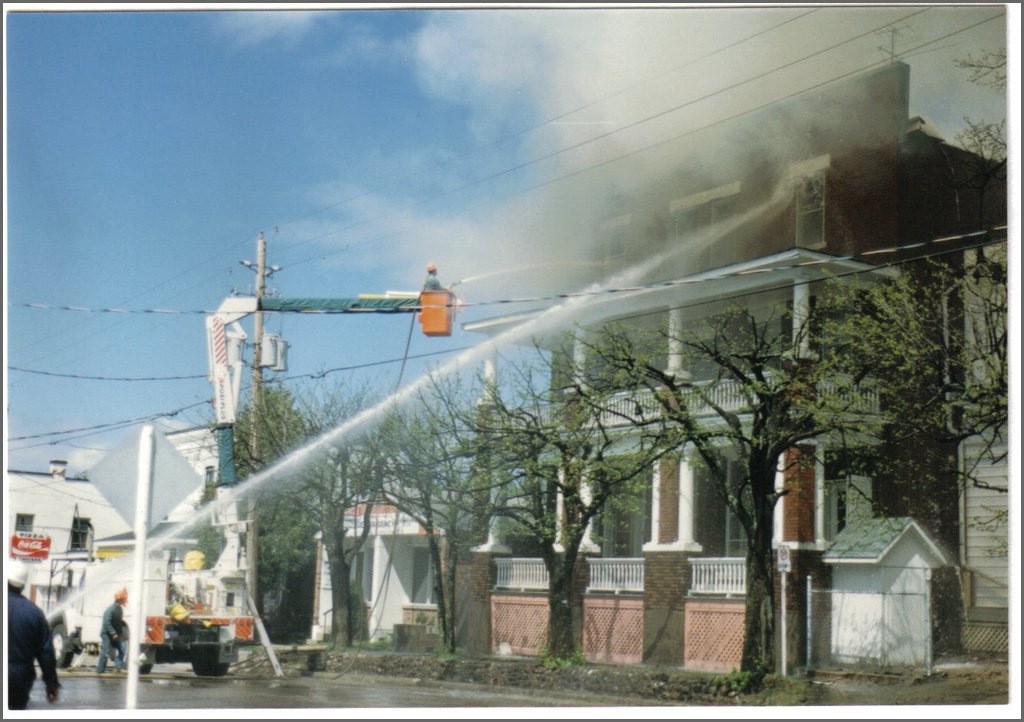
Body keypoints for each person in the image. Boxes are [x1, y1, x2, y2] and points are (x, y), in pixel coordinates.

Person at [7, 562, 60, 710]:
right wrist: (51, 683)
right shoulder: (34, 612)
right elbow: (46, 653)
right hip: (20, 677)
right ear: (23, 585)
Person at [97, 588, 128, 674]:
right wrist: (113, 633)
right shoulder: (110, 609)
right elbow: (106, 623)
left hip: (115, 634)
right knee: (105, 652)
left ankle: (118, 667)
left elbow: (119, 623)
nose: (124, 601)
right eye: (123, 599)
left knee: (122, 648)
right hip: (106, 634)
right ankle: (100, 671)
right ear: (119, 599)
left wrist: (121, 634)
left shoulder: (120, 609)